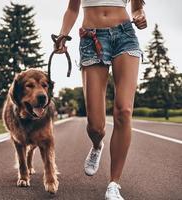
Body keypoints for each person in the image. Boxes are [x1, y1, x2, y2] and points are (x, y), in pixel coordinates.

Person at [54, 0, 147, 199]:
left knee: (124, 111)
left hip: (125, 36)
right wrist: (63, 34)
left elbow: (137, 7)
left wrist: (139, 15)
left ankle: (114, 184)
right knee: (95, 126)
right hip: (91, 37)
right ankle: (97, 145)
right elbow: (72, 8)